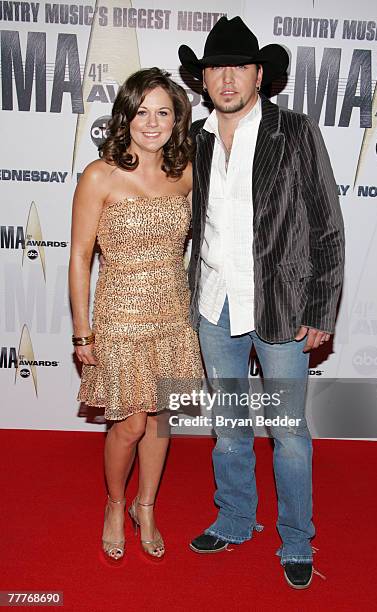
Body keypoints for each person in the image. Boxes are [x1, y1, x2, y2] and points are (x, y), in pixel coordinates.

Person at [178, 16, 345, 588]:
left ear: (259, 75)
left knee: (289, 430)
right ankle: (235, 518)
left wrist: (321, 310)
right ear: (203, 79)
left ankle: (297, 538)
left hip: (279, 306)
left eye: (238, 68)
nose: (227, 79)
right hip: (214, 305)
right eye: (216, 68)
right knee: (229, 425)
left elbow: (327, 226)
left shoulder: (294, 131)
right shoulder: (194, 140)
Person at [69, 67, 202, 561]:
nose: (153, 122)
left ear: (176, 121)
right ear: (125, 116)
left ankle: (146, 506)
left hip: (172, 312)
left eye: (163, 112)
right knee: (129, 422)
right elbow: (81, 256)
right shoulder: (99, 175)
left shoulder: (186, 173)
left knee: (162, 418)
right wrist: (83, 333)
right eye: (142, 111)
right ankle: (115, 502)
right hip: (120, 313)